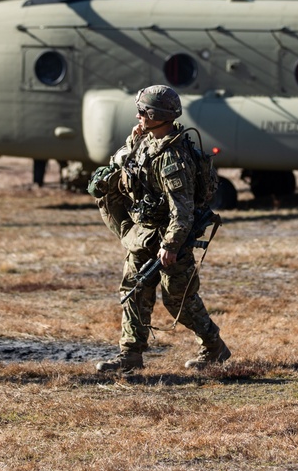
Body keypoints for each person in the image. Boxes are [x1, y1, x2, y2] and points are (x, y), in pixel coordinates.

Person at [94, 85, 230, 372]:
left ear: (157, 115)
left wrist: (170, 245)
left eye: (143, 112)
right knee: (133, 289)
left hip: (170, 238)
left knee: (178, 298)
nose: (138, 116)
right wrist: (131, 142)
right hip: (143, 234)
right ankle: (130, 355)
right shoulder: (146, 141)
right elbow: (118, 167)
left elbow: (182, 210)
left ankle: (213, 346)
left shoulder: (173, 157)